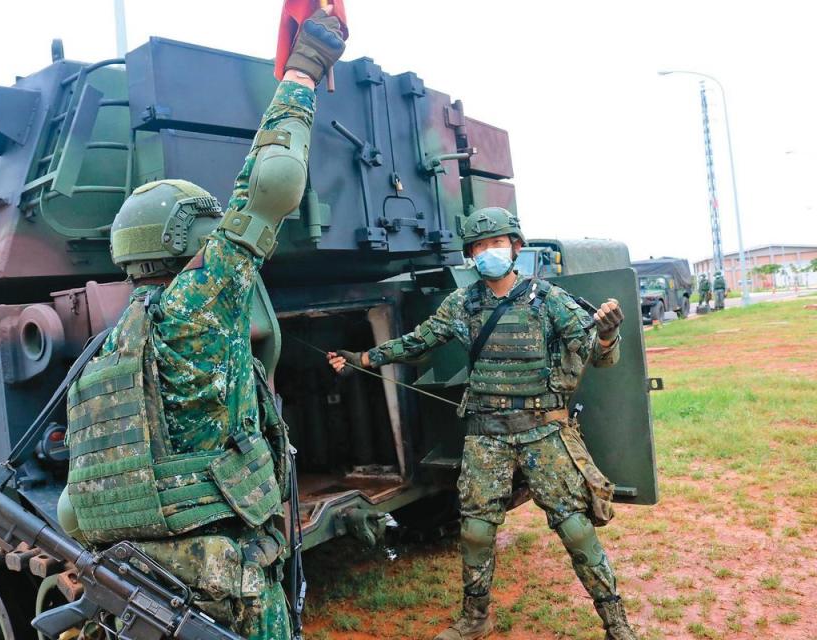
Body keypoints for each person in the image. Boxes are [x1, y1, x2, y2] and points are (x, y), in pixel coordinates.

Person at [58, 10, 346, 639]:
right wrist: (303, 71)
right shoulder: (196, 311)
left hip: (144, 585)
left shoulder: (103, 356)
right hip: (224, 586)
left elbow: (73, 509)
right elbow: (270, 186)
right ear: (190, 239)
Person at [328, 208, 637, 640]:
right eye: (479, 246)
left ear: (514, 246)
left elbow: (601, 358)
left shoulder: (548, 300)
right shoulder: (463, 303)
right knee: (475, 529)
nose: (488, 251)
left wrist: (607, 334)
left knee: (575, 527)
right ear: (471, 255)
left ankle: (616, 624)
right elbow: (418, 342)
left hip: (543, 432)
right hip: (486, 435)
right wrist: (362, 358)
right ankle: (476, 618)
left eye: (496, 243)